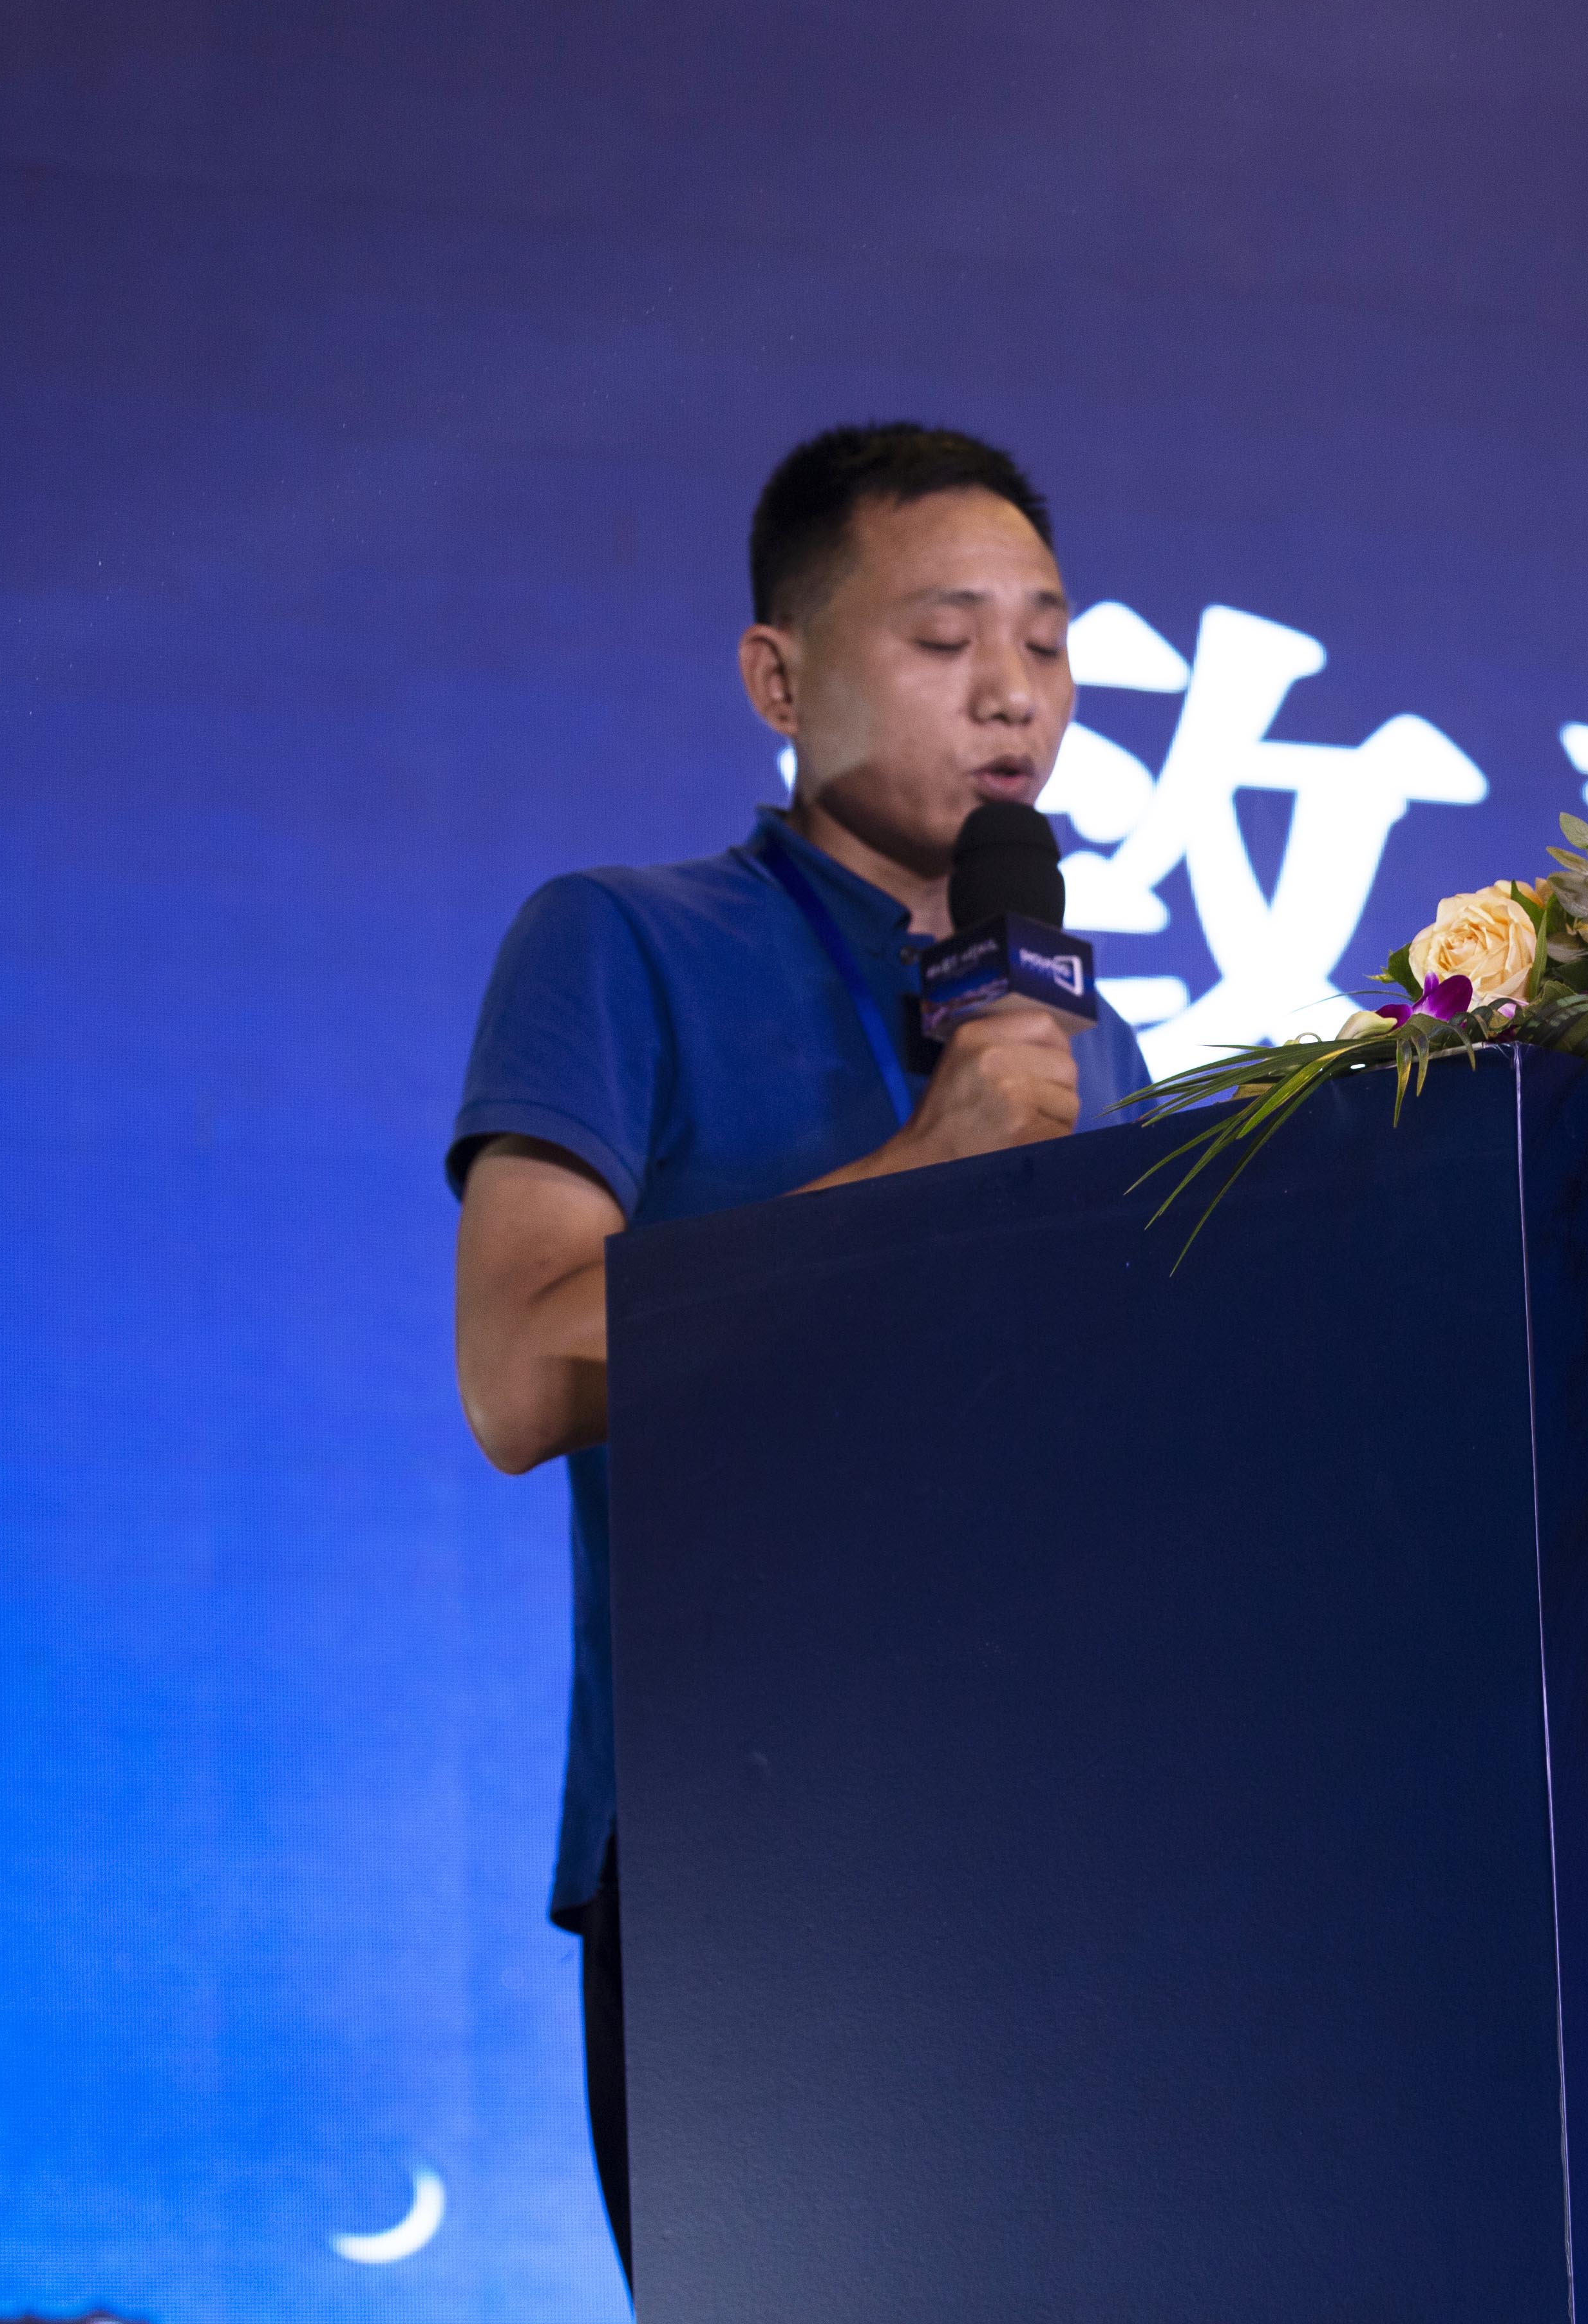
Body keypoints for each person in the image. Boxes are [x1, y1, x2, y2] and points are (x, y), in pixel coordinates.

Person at [444, 423, 1149, 2285]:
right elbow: (518, 1371)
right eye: (944, 639)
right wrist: (922, 1170)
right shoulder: (623, 943)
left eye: (1047, 641)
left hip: (1076, 1845)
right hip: (754, 1860)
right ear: (778, 676)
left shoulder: (1091, 1043)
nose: (1011, 693)